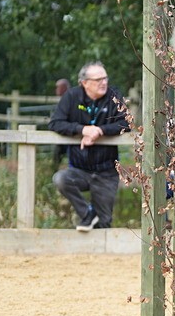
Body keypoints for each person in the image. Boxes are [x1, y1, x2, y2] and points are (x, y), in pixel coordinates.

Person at [49, 61, 131, 231]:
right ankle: (87, 214)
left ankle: (98, 250)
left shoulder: (113, 95)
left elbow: (126, 123)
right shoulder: (72, 96)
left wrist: (100, 131)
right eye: (98, 79)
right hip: (79, 169)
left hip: (106, 171)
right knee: (61, 179)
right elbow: (55, 123)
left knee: (104, 224)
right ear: (84, 83)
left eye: (105, 78)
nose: (104, 82)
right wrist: (83, 129)